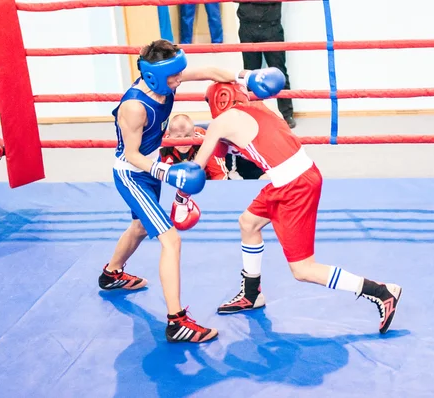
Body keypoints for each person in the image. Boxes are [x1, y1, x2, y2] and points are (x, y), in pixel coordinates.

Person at [98, 39, 283, 343]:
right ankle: (176, 322)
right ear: (154, 75)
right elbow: (131, 154)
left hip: (149, 169)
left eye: (179, 72)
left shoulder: (167, 79)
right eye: (173, 76)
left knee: (140, 227)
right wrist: (168, 171)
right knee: (171, 241)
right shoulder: (134, 107)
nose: (179, 80)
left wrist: (246, 78)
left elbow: (211, 71)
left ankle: (111, 274)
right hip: (133, 173)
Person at [188, 81, 402, 334]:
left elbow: (195, 169)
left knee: (303, 269)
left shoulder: (221, 123)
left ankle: (380, 291)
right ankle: (251, 294)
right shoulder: (261, 107)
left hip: (294, 186)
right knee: (248, 223)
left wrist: (179, 197)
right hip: (296, 175)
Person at [236, 1, 296, 129]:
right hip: (248, 26)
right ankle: (253, 113)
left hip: (272, 26)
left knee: (279, 70)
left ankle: (286, 114)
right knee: (249, 74)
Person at [160, 114, 229, 180]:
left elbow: (219, 174)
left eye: (187, 136)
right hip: (172, 183)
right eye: (178, 137)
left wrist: (214, 191)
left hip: (205, 183)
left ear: (194, 134)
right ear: (170, 136)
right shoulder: (160, 144)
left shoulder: (206, 141)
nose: (183, 142)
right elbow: (153, 175)